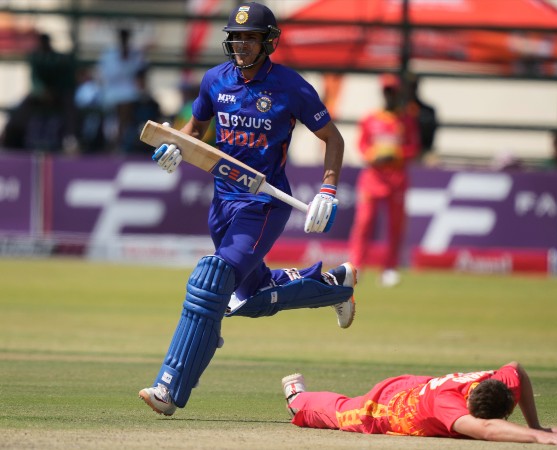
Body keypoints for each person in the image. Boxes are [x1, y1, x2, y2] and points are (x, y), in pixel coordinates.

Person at [138, 2, 356, 417]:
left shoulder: (291, 86)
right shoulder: (214, 80)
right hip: (223, 202)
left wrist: (328, 189)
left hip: (264, 204)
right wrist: (176, 147)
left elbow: (333, 138)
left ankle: (170, 386)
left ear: (269, 42)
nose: (240, 45)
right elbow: (195, 130)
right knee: (248, 296)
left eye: (250, 38)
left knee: (213, 280)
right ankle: (334, 286)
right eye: (236, 37)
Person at [281, 361, 557, 446]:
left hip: (417, 386)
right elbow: (488, 430)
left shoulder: (495, 381)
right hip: (388, 408)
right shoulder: (449, 405)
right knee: (342, 413)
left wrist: (536, 423)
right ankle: (297, 397)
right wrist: (536, 435)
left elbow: (517, 370)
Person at [348, 73, 421, 287]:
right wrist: (373, 155)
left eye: (393, 92)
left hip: (396, 178)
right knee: (364, 222)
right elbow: (362, 145)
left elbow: (413, 147)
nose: (389, 96)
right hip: (373, 177)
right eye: (386, 91)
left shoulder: (406, 120)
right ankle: (356, 265)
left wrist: (396, 154)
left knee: (395, 225)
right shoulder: (370, 119)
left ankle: (390, 268)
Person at [97, 27, 148, 152]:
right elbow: (104, 76)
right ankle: (115, 140)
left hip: (131, 92)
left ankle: (121, 140)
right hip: (111, 92)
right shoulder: (109, 54)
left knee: (126, 104)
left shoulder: (136, 54)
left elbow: (141, 77)